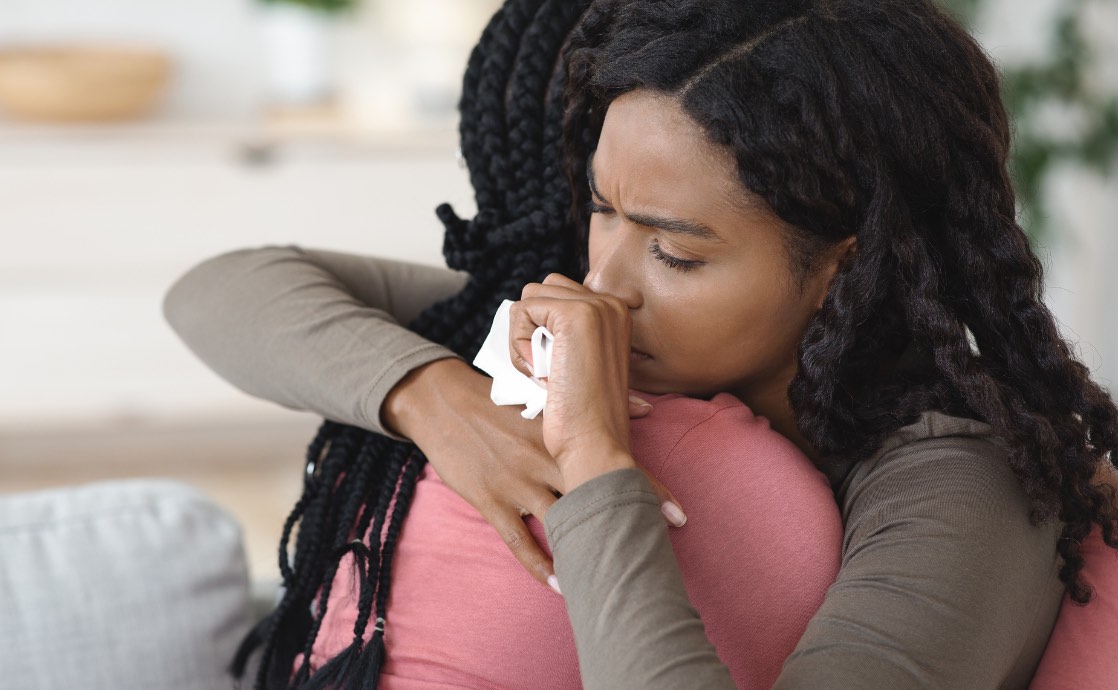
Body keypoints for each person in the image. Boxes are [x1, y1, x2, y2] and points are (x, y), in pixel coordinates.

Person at [163, 0, 1118, 688]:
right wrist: (434, 397)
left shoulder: (961, 485)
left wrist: (594, 467)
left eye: (672, 251)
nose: (607, 279)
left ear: (844, 264)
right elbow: (218, 289)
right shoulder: (596, 322)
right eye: (602, 210)